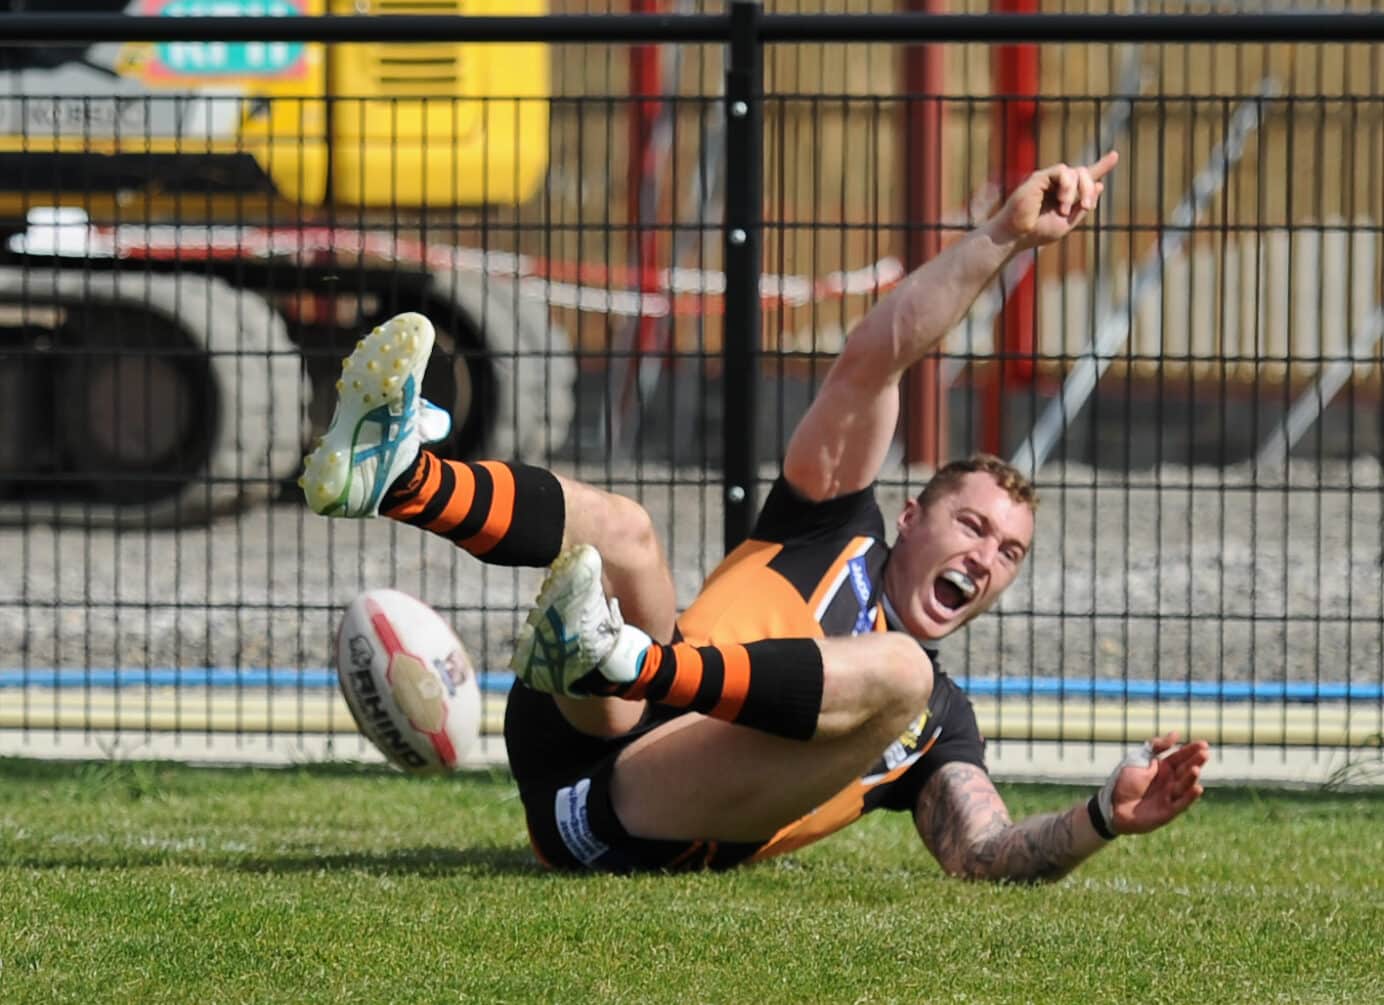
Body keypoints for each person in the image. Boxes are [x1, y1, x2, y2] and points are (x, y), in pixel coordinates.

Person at [302, 149, 1210, 881]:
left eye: (1008, 550)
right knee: (627, 534)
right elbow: (877, 357)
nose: (987, 554)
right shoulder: (831, 528)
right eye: (971, 526)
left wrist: (1103, 816)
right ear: (909, 515)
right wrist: (1000, 239)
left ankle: (625, 655)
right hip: (595, 717)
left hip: (631, 819)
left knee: (900, 675)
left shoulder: (940, 720)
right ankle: (399, 478)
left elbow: (984, 850)